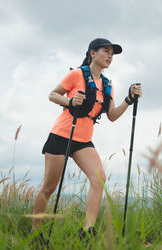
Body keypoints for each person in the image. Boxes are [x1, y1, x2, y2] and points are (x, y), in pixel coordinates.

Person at [32, 38, 143, 238]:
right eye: (106, 51)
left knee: (98, 177)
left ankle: (87, 231)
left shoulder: (107, 84)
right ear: (93, 53)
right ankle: (35, 232)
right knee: (49, 187)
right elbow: (52, 94)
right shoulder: (76, 74)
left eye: (112, 53)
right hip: (62, 134)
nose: (110, 56)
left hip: (83, 140)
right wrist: (69, 100)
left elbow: (112, 116)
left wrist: (129, 99)